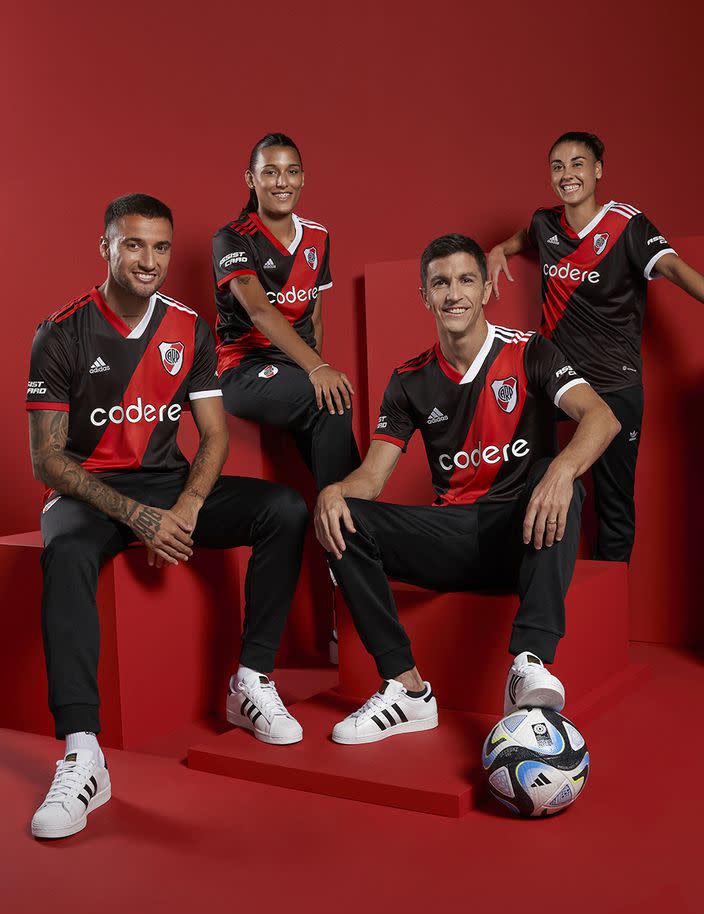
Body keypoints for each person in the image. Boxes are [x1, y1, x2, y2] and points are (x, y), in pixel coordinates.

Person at [26, 194, 308, 840]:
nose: (148, 259)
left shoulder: (188, 327)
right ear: (105, 248)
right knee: (65, 553)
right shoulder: (62, 331)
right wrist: (138, 517)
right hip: (87, 491)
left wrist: (182, 508)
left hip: (167, 484)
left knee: (285, 509)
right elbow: (46, 460)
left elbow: (212, 437)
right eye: (133, 245)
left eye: (158, 247)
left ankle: (250, 681)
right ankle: (82, 753)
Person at [313, 235, 619, 744]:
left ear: (485, 290)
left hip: (521, 531)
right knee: (340, 514)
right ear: (424, 297)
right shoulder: (409, 379)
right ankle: (406, 690)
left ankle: (529, 663)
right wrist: (335, 492)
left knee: (557, 475)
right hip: (451, 536)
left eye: (465, 280)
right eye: (440, 283)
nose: (453, 293)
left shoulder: (529, 351)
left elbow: (601, 417)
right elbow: (372, 478)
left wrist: (563, 472)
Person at [488, 131, 704, 562]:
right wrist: (500, 248)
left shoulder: (626, 224)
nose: (567, 174)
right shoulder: (545, 222)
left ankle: (609, 604)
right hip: (557, 379)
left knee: (614, 505)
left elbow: (672, 266)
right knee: (521, 471)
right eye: (557, 166)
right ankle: (527, 583)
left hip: (615, 383)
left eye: (577, 164)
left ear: (597, 171)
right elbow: (527, 235)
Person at [212, 132, 360, 490]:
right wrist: (318, 368)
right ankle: (343, 524)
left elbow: (315, 317)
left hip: (296, 367)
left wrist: (313, 371)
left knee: (333, 404)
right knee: (329, 403)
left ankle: (351, 524)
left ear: (303, 178)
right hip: (243, 367)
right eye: (270, 172)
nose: (283, 182)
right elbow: (260, 311)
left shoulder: (318, 236)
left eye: (292, 172)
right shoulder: (232, 237)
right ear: (251, 179)